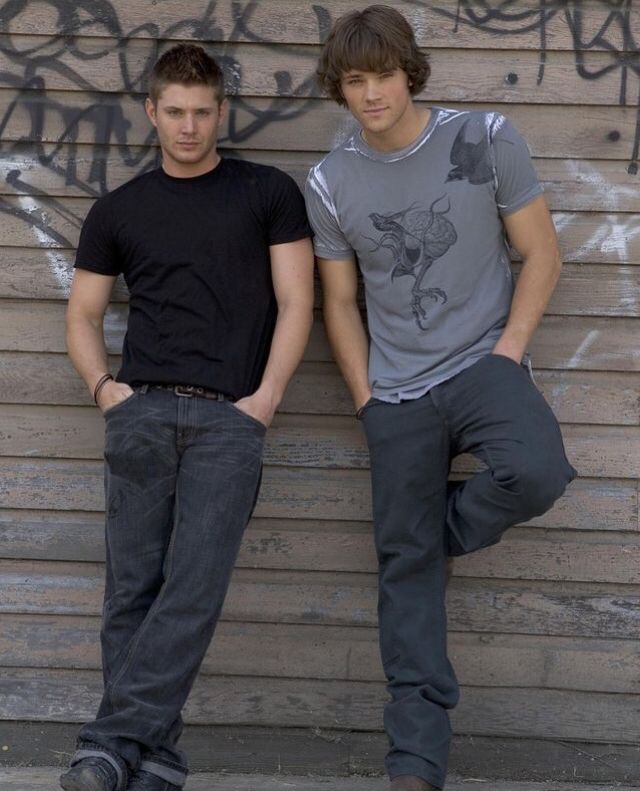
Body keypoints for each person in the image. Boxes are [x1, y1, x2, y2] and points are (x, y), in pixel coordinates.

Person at [305, 6, 576, 791]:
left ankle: (430, 536)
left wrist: (508, 350)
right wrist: (367, 398)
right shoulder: (329, 182)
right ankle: (415, 766)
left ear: (411, 72)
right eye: (356, 81)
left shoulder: (483, 138)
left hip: (484, 363)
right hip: (396, 393)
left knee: (536, 471)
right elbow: (338, 303)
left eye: (384, 75)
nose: (372, 94)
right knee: (407, 580)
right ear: (340, 88)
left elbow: (542, 253)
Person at [61, 43, 314, 791]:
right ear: (152, 111)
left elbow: (298, 302)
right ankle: (153, 760)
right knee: (130, 592)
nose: (189, 127)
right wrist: (104, 390)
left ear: (221, 113)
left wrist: (264, 400)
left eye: (202, 112)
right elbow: (82, 314)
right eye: (174, 112)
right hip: (140, 412)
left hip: (229, 419)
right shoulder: (120, 209)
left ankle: (106, 746)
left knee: (193, 589)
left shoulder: (267, 193)